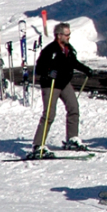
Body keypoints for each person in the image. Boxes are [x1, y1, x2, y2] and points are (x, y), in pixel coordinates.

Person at [30, 22, 93, 158]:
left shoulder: (68, 49)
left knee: (73, 108)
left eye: (69, 34)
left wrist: (85, 69)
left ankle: (72, 138)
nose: (69, 37)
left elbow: (73, 62)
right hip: (51, 84)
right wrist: (49, 72)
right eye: (66, 34)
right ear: (59, 35)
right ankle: (38, 145)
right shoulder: (49, 50)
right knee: (49, 114)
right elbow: (39, 68)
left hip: (64, 83)